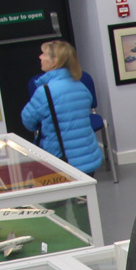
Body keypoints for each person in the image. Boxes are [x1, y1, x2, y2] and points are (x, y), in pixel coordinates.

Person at [21, 40, 103, 173]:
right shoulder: (81, 87)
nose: (40, 57)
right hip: (87, 157)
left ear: (55, 61)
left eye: (44, 54)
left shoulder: (45, 92)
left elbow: (28, 122)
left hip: (62, 162)